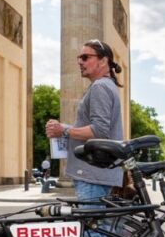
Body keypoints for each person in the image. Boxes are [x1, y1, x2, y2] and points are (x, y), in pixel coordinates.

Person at [45, 39, 124, 203]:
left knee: (93, 227)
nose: (80, 61)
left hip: (92, 175)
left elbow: (100, 131)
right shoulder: (106, 85)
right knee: (101, 226)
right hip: (97, 174)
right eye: (79, 58)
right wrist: (64, 128)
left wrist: (64, 131)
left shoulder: (99, 87)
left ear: (103, 60)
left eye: (85, 57)